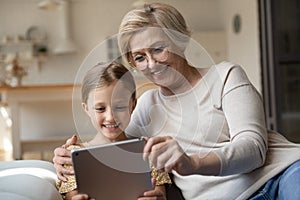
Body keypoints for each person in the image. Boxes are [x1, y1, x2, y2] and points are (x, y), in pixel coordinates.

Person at [53, 3, 300, 200]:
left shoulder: (225, 76)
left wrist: (192, 163)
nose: (151, 64)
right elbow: (111, 146)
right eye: (140, 57)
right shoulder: (146, 106)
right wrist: (68, 157)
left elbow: (253, 150)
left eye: (159, 49)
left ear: (181, 41)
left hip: (282, 175)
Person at [55, 61, 171, 200]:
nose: (110, 117)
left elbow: (160, 195)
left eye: (120, 107)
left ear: (133, 105)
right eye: (100, 109)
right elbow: (71, 197)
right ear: (86, 108)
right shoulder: (73, 156)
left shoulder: (147, 151)